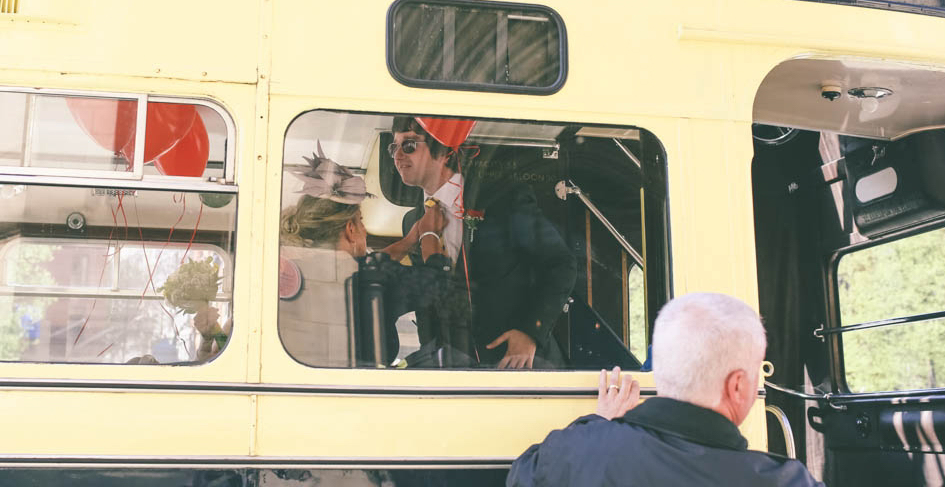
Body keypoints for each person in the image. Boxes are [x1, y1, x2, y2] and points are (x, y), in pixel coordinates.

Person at [507, 293, 825, 487]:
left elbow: (521, 476)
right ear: (738, 385)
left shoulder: (576, 453)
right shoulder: (787, 482)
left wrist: (599, 425)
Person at [390, 116, 577, 369]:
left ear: (444, 151)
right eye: (394, 147)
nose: (397, 155)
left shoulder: (503, 199)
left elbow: (560, 264)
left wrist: (530, 332)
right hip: (456, 371)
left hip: (520, 362)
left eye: (409, 145)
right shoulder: (412, 222)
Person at [278, 143, 446, 367]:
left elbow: (368, 266)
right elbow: (437, 281)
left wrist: (409, 240)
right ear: (350, 229)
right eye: (362, 223)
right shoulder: (374, 279)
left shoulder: (300, 270)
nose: (364, 231)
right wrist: (430, 232)